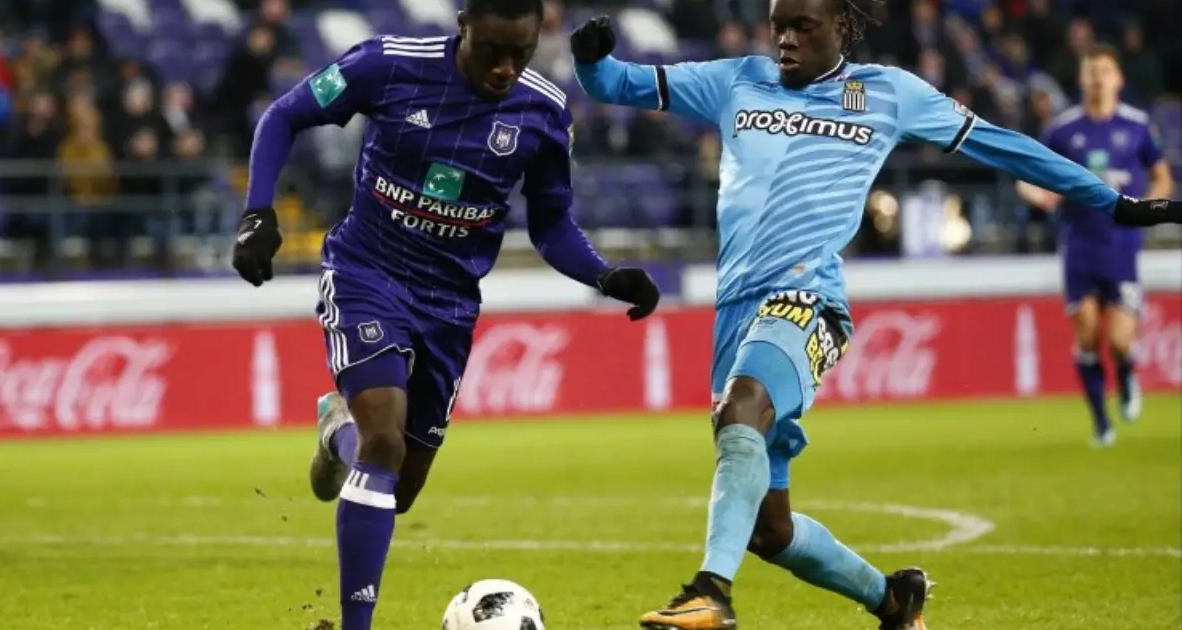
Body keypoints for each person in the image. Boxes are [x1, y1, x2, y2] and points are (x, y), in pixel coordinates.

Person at [569, 1, 1182, 628]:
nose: (785, 40)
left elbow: (1005, 147)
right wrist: (590, 59)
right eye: (778, 26)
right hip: (735, 311)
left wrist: (1112, 202)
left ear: (840, 27)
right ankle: (893, 600)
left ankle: (710, 593)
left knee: (742, 408)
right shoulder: (736, 80)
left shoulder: (890, 94)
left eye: (803, 27)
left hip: (809, 300)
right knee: (769, 530)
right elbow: (616, 83)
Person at [230, 0, 662, 628]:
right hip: (366, 273)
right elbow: (284, 115)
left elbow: (551, 224)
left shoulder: (543, 112)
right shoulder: (387, 66)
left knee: (397, 488)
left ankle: (336, 432)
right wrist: (257, 212)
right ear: (464, 26)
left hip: (450, 306)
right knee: (383, 443)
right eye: (493, 52)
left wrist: (603, 274)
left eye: (521, 54)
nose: (506, 68)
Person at [1017, 44, 1174, 448]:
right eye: (1091, 71)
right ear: (1081, 79)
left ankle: (1126, 374)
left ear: (1119, 78)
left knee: (1120, 339)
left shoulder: (1138, 126)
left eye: (1105, 70)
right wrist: (1039, 195)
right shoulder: (1062, 129)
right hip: (1079, 244)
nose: (1098, 78)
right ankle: (1102, 422)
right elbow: (1028, 172)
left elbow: (1162, 177)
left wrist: (1147, 208)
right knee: (1086, 333)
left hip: (1121, 245)